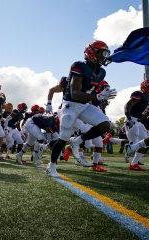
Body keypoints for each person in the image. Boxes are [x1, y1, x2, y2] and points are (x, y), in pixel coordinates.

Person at [47, 40, 116, 177]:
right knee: (63, 138)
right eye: (102, 53)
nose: (104, 57)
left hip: (85, 105)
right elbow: (75, 93)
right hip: (70, 105)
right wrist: (98, 97)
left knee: (105, 125)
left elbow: (90, 94)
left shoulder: (101, 72)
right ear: (92, 53)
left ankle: (77, 141)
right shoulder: (78, 66)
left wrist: (100, 96)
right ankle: (52, 165)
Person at [124, 79, 149, 170]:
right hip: (132, 120)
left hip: (140, 122)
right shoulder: (139, 94)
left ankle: (134, 164)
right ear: (147, 87)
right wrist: (128, 118)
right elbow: (128, 105)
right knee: (134, 143)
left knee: (146, 143)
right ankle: (128, 150)